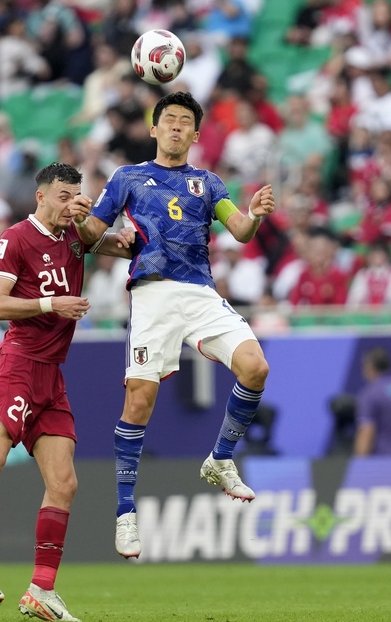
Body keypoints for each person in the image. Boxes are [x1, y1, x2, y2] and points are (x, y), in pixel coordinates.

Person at [73, 91, 276, 560]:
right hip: (153, 295)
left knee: (256, 367)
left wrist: (257, 216)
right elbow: (88, 236)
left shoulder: (209, 183)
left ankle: (221, 459)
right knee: (139, 400)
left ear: (196, 134)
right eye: (169, 120)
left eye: (186, 122)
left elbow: (240, 230)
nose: (177, 128)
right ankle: (125, 514)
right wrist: (84, 219)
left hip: (201, 293)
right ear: (154, 128)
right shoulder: (127, 178)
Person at [0, 162, 134, 622]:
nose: (69, 202)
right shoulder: (15, 238)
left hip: (52, 375)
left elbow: (117, 246)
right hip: (17, 365)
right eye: (61, 195)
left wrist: (115, 228)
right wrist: (52, 303)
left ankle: (42, 590)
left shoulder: (76, 235)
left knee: (65, 483)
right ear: (40, 196)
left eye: (75, 194)